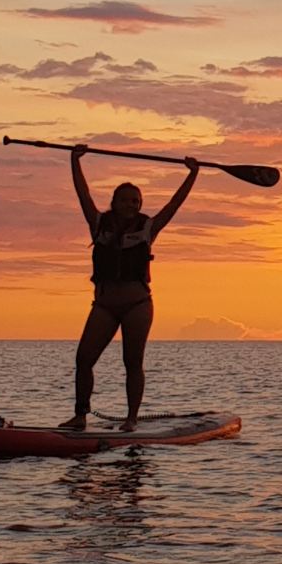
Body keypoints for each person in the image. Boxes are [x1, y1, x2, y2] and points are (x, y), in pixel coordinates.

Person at [62, 144, 199, 431]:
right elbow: (82, 194)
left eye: (135, 201)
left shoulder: (148, 227)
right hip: (104, 305)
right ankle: (80, 416)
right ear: (114, 202)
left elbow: (174, 205)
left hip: (138, 305)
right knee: (84, 358)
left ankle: (131, 419)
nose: (131, 205)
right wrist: (75, 161)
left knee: (132, 361)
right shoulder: (99, 223)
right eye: (125, 200)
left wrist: (192, 174)